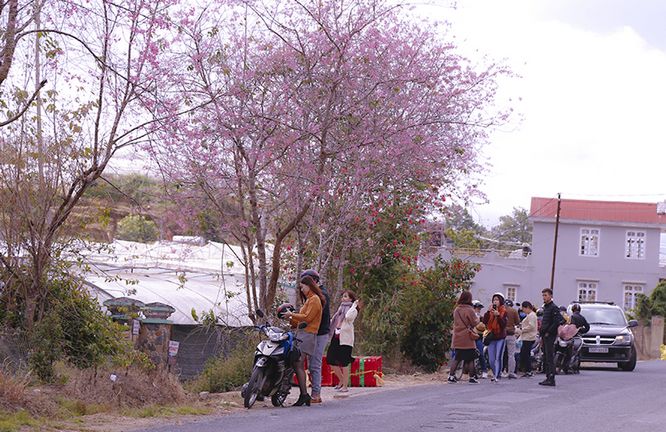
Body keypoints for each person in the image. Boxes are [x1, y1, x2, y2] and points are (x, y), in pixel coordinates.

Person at [284, 275, 324, 406]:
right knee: (296, 363)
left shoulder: (315, 300)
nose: (302, 290)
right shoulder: (308, 300)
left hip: (308, 335)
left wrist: (292, 315)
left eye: (302, 287)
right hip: (301, 334)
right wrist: (290, 319)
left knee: (299, 363)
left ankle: (304, 395)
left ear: (309, 285)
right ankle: (303, 394)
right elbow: (300, 319)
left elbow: (307, 318)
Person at [300, 269, 331, 404]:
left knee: (314, 364)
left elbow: (312, 315)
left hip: (319, 334)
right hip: (309, 333)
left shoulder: (321, 295)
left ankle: (316, 394)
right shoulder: (313, 295)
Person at [327, 290, 359, 393]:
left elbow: (348, 317)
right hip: (336, 336)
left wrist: (354, 305)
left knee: (344, 362)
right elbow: (334, 320)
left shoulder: (352, 310)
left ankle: (345, 385)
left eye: (345, 296)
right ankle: (341, 380)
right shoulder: (340, 309)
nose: (343, 298)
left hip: (345, 338)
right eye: (343, 296)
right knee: (330, 359)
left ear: (351, 299)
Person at [448, 291, 481, 384]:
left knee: (457, 358)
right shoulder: (469, 309)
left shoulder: (456, 309)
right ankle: (472, 378)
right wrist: (478, 319)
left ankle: (451, 376)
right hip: (467, 337)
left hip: (457, 336)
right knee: (470, 358)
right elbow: (474, 322)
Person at [539, 288, 563, 387]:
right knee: (546, 356)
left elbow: (556, 322)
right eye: (543, 295)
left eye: (546, 295)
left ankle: (551, 378)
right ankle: (548, 376)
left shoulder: (554, 308)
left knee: (550, 357)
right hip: (544, 335)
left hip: (550, 335)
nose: (544, 297)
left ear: (551, 296)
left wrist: (548, 332)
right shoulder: (546, 307)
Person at [482, 292, 508, 383]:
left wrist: (498, 316)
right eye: (494, 300)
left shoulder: (503, 311)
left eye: (497, 300)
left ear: (501, 301)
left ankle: (497, 375)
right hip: (491, 336)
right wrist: (488, 312)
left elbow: (504, 325)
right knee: (491, 358)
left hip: (500, 336)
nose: (495, 301)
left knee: (498, 357)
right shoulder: (490, 311)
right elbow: (484, 321)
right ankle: (494, 372)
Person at [518, 301, 538, 377]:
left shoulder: (531, 315)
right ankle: (526, 369)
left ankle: (528, 370)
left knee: (526, 354)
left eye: (523, 308)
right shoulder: (530, 315)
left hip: (529, 337)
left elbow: (531, 326)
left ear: (527, 308)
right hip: (527, 337)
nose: (523, 310)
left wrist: (522, 329)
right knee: (524, 353)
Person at [504, 299, 520, 379]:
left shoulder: (501, 310)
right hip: (511, 333)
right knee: (511, 354)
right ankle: (511, 372)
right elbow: (517, 322)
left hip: (502, 334)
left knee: (500, 354)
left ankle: (499, 371)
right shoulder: (514, 311)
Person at [472, 300, 488, 379]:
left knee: (480, 353)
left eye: (479, 308)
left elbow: (484, 326)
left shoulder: (481, 317)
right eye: (478, 308)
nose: (479, 309)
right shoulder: (470, 315)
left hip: (478, 337)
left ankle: (484, 370)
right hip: (470, 337)